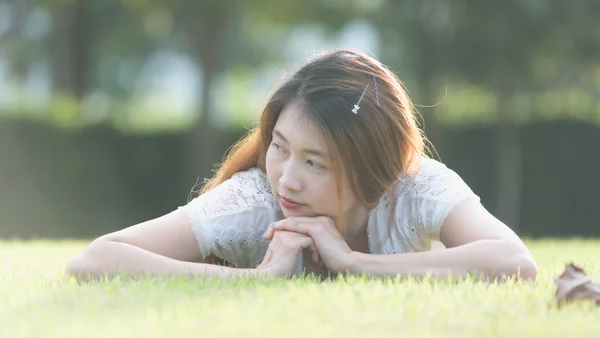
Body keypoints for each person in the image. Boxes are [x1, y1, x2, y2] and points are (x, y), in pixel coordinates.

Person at [66, 50, 537, 282]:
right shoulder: (257, 198)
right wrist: (253, 280)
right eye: (279, 146)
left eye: (315, 162)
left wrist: (353, 261)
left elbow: (515, 263)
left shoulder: (415, 189)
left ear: (374, 164)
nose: (287, 178)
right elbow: (95, 260)